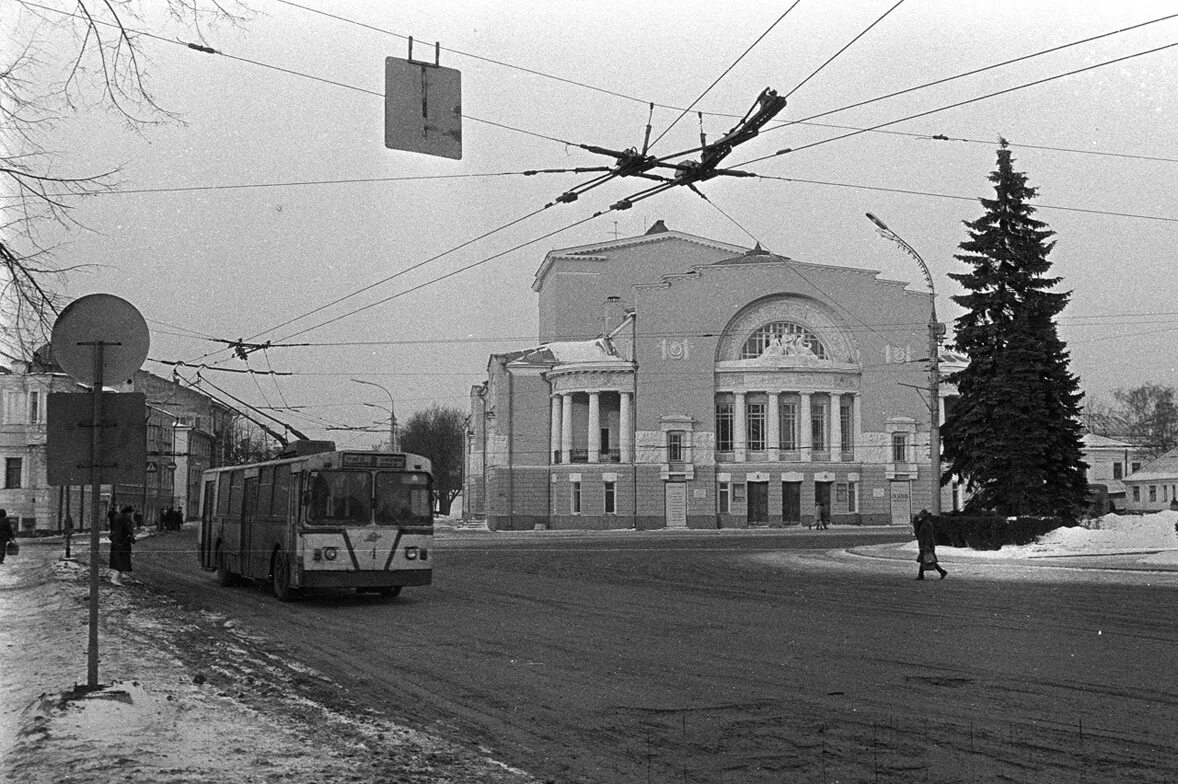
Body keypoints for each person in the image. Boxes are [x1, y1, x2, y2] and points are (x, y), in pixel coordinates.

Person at [913, 509, 947, 580]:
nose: (920, 515)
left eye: (921, 514)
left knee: (925, 559)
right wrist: (915, 519)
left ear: (924, 515)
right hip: (924, 544)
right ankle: (941, 571)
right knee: (926, 559)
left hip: (926, 545)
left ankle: (921, 575)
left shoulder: (927, 524)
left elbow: (929, 536)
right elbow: (917, 531)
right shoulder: (923, 523)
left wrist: (927, 545)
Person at [109, 505, 136, 586]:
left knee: (119, 561)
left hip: (117, 543)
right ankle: (114, 579)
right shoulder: (125, 521)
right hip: (122, 544)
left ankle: (118, 579)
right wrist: (132, 539)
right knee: (121, 562)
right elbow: (128, 532)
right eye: (131, 513)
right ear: (129, 513)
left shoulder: (118, 518)